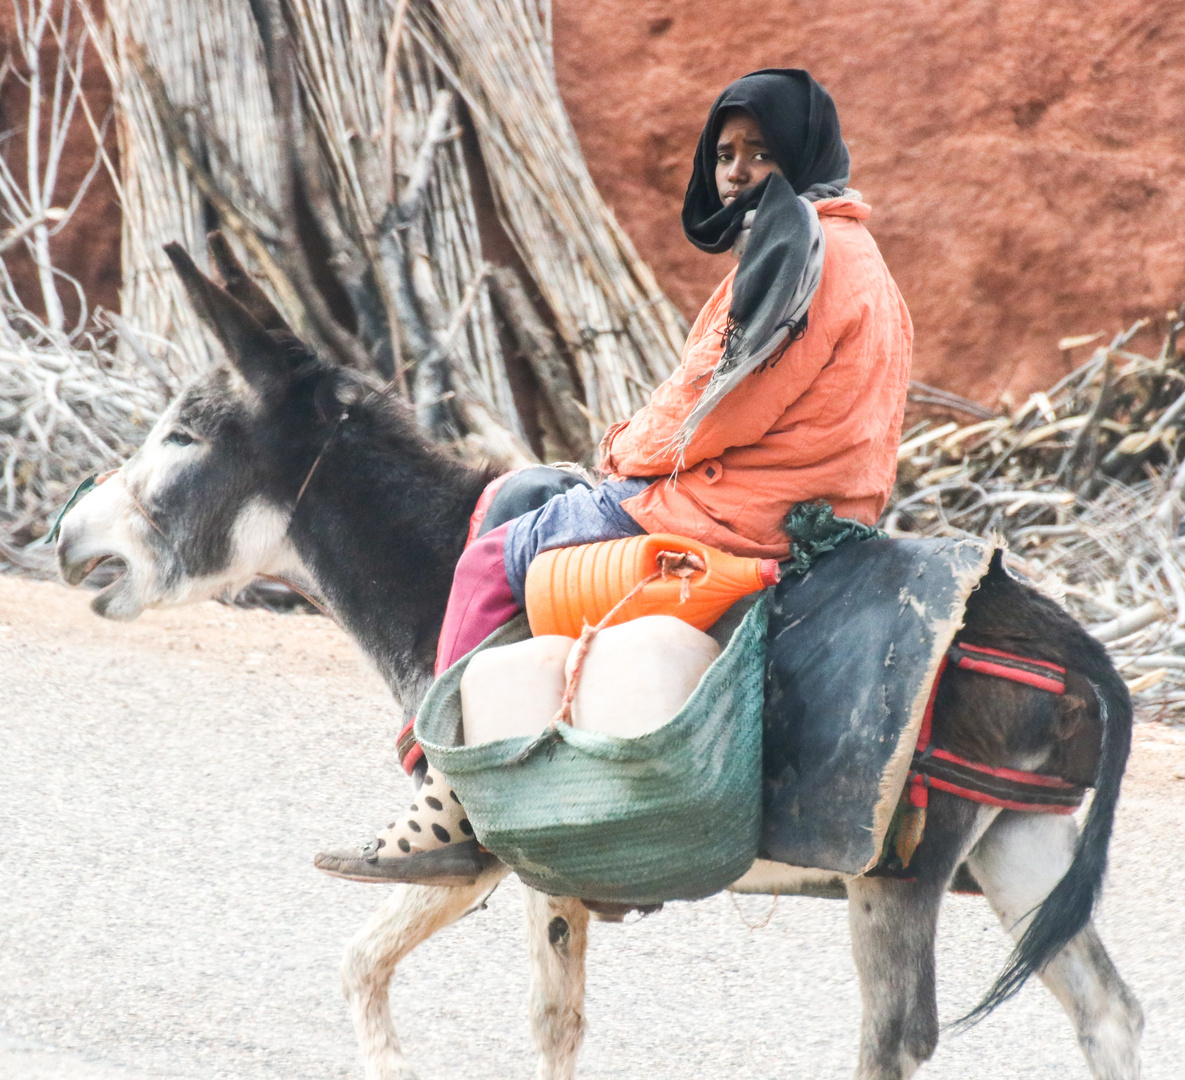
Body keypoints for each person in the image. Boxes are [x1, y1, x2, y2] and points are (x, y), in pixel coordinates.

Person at [316, 68, 914, 885]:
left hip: (723, 518)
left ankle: (443, 786)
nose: (736, 172)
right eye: (726, 153)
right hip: (824, 519)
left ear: (803, 154)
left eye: (760, 153)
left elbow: (716, 408)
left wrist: (622, 452)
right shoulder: (864, 260)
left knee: (498, 550)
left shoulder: (794, 250)